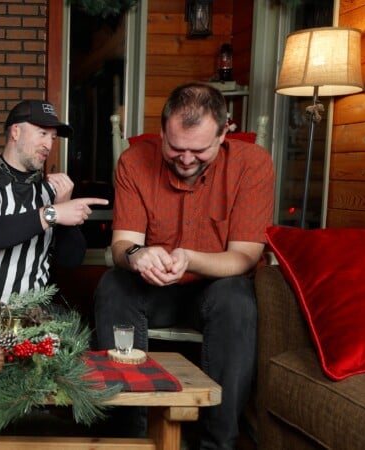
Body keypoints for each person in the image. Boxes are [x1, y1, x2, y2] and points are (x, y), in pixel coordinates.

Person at [93, 82, 274, 449]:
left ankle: (218, 441)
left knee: (238, 298)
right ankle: (128, 437)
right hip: (154, 290)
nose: (186, 159)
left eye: (200, 150)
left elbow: (245, 256)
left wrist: (189, 257)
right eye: (175, 147)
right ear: (162, 132)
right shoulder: (134, 161)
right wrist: (137, 255)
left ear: (224, 133)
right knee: (113, 286)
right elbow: (121, 246)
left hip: (215, 288)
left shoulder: (252, 164)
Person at [0, 99, 109, 302]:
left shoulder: (50, 193)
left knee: (70, 324)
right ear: (15, 132)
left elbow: (70, 261)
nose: (48, 145)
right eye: (42, 134)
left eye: (53, 138)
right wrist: (53, 213)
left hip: (27, 315)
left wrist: (63, 215)